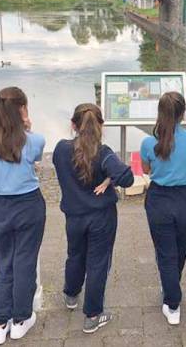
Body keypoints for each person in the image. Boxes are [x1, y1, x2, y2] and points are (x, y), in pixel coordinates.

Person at [53, 103, 134, 333]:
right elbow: (126, 177)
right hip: (101, 216)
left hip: (74, 216)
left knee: (75, 254)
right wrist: (110, 179)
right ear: (101, 125)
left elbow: (66, 169)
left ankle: (70, 294)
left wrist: (108, 178)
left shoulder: (60, 149)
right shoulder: (104, 153)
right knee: (98, 263)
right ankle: (92, 314)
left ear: (73, 125)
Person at [0, 87, 46, 345]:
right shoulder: (35, 140)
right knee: (25, 261)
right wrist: (27, 127)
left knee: (4, 262)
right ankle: (20, 319)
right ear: (22, 109)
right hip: (28, 204)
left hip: (0, 205)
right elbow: (34, 160)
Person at [140, 93, 186, 326]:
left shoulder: (149, 143)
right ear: (183, 113)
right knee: (181, 248)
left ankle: (172, 298)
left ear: (160, 113)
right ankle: (172, 290)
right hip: (185, 197)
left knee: (165, 251)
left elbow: (147, 169)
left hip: (159, 198)